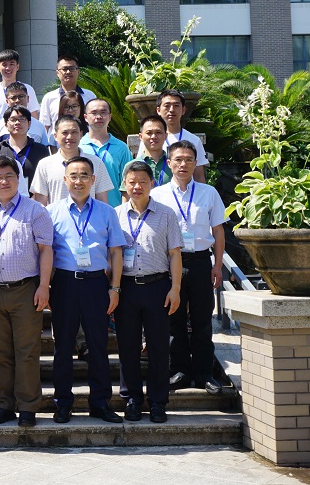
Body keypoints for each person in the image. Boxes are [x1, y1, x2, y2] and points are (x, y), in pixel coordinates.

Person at [47, 156, 126, 424]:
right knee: (63, 347)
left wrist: (115, 287)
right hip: (64, 283)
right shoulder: (52, 211)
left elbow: (116, 252)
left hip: (96, 284)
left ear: (93, 180)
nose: (78, 181)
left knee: (98, 345)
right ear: (65, 180)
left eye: (84, 175)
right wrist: (46, 286)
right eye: (73, 175)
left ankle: (100, 403)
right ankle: (63, 403)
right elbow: (44, 253)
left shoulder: (106, 212)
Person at [0, 155, 54, 427]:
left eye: (9, 175)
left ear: (18, 179)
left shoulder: (35, 210)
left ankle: (28, 406)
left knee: (27, 351)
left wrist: (44, 286)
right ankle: (4, 405)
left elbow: (46, 250)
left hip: (25, 289)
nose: (4, 181)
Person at [151, 140, 226, 395]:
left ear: (196, 163)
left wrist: (217, 266)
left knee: (203, 319)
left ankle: (204, 373)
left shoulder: (209, 193)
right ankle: (179, 371)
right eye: (178, 159)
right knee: (174, 319)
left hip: (201, 262)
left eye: (189, 160)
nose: (183, 164)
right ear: (169, 163)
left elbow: (218, 230)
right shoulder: (158, 195)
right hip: (169, 263)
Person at [116, 161, 183, 423]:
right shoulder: (116, 215)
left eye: (142, 181)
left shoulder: (166, 214)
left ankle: (157, 401)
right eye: (132, 181)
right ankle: (132, 398)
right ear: (124, 184)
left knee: (158, 347)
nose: (137, 186)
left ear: (152, 184)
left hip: (158, 287)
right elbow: (112, 255)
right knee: (128, 346)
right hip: (126, 288)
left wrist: (175, 288)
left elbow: (175, 254)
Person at [30, 116, 114, 206]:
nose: (70, 137)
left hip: (90, 215)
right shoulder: (45, 164)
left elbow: (102, 200)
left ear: (81, 134)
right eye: (65, 133)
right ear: (55, 136)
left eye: (74, 132)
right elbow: (41, 203)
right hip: (56, 215)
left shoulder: (96, 163)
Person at [140, 89, 209, 183]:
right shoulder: (150, 139)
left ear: (183, 110)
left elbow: (199, 176)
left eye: (176, 105)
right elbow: (140, 166)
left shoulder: (194, 140)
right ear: (158, 110)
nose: (171, 110)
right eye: (167, 105)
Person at [80, 98, 134, 207]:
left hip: (115, 209)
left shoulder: (121, 147)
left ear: (110, 117)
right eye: (94, 113)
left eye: (103, 112)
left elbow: (128, 181)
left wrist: (123, 210)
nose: (99, 116)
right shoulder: (79, 146)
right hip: (84, 209)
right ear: (85, 117)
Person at [39, 56, 97, 133]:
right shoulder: (49, 98)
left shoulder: (90, 96)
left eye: (72, 68)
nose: (68, 72)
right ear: (57, 73)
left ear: (78, 71)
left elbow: (95, 121)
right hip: (56, 140)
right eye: (64, 69)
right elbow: (44, 127)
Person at [0, 105, 49, 190]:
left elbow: (45, 179)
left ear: (29, 124)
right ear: (6, 124)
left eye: (22, 119)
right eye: (13, 120)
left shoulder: (41, 150)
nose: (17, 122)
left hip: (34, 196)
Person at [0, 49, 40, 120]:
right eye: (4, 65)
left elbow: (34, 116)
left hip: (23, 127)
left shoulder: (28, 89)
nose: (8, 68)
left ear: (17, 66)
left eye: (11, 64)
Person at [130, 115, 172, 192]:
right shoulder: (131, 165)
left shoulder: (174, 165)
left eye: (158, 132)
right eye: (149, 133)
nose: (153, 136)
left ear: (166, 136)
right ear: (141, 136)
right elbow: (126, 197)